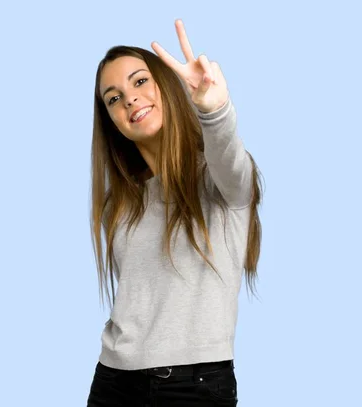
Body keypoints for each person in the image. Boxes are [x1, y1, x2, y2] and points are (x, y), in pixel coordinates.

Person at [86, 19, 263, 407]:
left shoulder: (219, 179)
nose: (129, 99)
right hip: (113, 382)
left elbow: (230, 160)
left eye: (139, 81)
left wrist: (214, 110)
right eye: (113, 98)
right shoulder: (120, 203)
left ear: (165, 86)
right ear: (111, 121)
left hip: (194, 385)